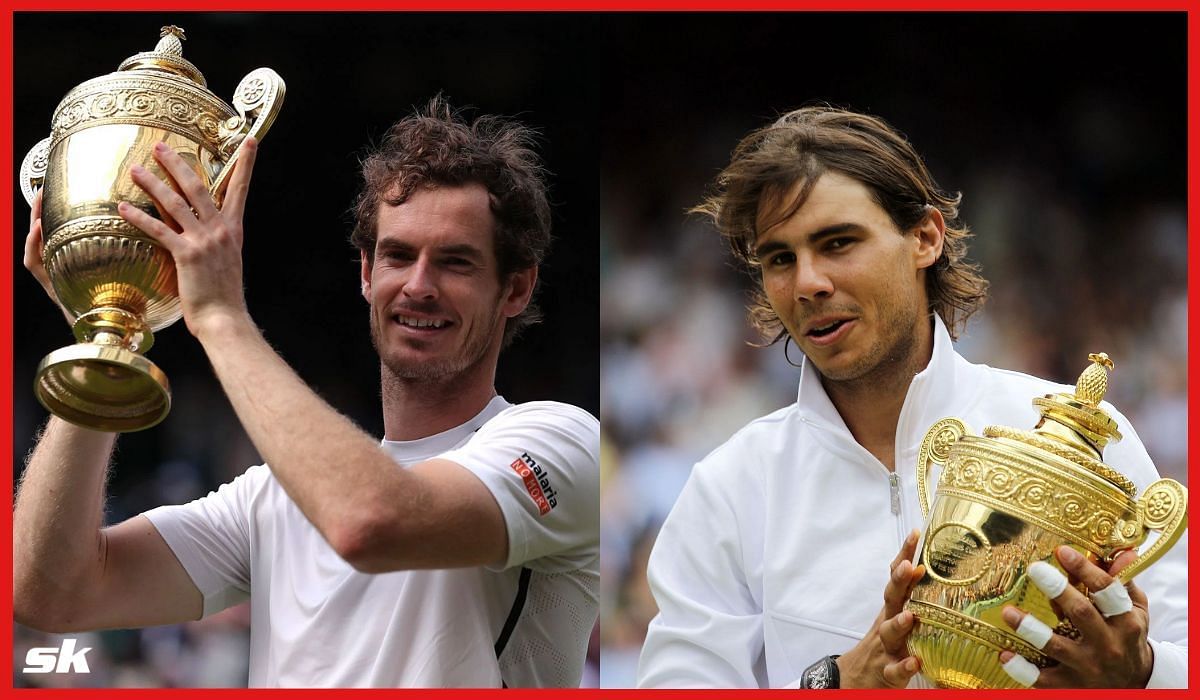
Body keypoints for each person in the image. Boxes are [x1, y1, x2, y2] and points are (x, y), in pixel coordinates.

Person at [14, 97, 600, 688]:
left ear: (517, 289)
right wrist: (106, 331)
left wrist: (220, 315)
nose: (419, 286)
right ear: (367, 274)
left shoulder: (561, 442)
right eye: (398, 255)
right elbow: (52, 593)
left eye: (456, 262)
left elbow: (370, 522)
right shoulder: (274, 498)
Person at [635, 106, 1187, 689]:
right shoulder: (730, 489)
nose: (807, 283)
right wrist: (834, 683)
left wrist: (1141, 672)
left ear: (925, 238)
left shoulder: (1081, 440)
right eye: (780, 258)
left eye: (838, 242)